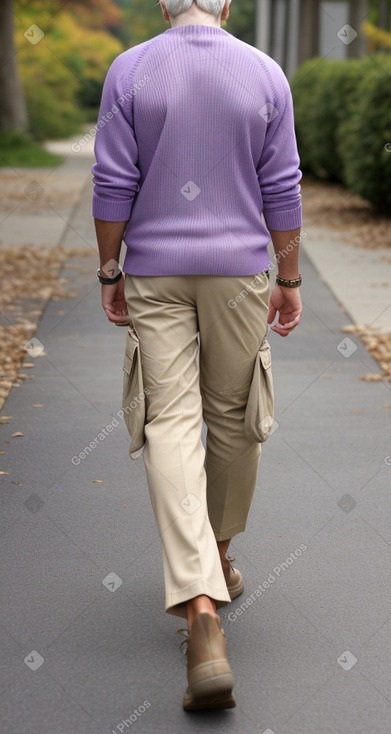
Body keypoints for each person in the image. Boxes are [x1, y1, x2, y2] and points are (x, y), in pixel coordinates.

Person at [91, 0, 303, 712]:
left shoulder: (130, 68)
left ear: (162, 4)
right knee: (235, 414)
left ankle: (199, 602)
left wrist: (109, 268)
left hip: (155, 271)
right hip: (239, 272)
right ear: (226, 3)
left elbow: (113, 179)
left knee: (170, 422)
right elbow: (281, 184)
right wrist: (290, 278)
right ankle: (220, 550)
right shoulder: (264, 71)